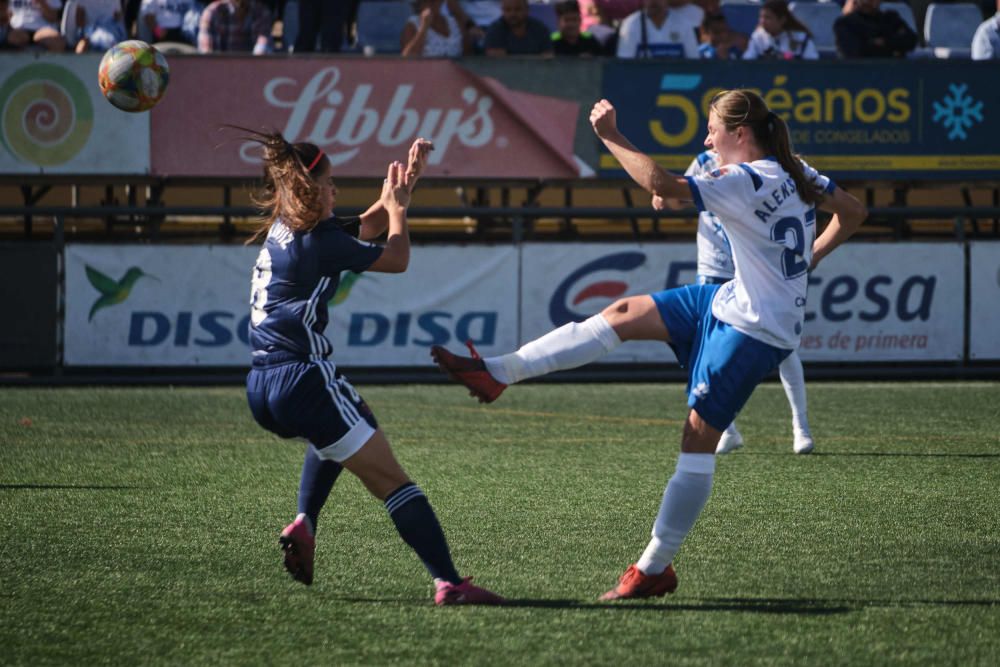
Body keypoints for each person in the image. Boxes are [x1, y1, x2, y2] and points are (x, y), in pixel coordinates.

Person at [432, 90, 867, 600]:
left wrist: (611, 135)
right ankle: (498, 372)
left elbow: (659, 182)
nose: (707, 138)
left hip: (756, 328)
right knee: (624, 312)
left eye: (712, 129)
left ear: (740, 134)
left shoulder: (744, 179)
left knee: (696, 439)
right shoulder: (795, 170)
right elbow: (855, 211)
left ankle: (653, 568)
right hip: (729, 298)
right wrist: (807, 261)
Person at [242, 130, 503, 606]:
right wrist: (400, 210)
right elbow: (396, 257)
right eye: (331, 182)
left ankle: (305, 522)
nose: (336, 190)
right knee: (392, 481)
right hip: (303, 377)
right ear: (311, 188)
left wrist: (406, 185)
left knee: (340, 432)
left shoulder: (290, 225)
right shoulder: (319, 241)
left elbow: (363, 224)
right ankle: (450, 583)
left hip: (261, 384)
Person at [654, 148, 819, 454]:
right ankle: (726, 430)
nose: (708, 138)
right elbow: (677, 196)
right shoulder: (704, 162)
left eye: (714, 127)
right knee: (702, 342)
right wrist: (664, 198)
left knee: (782, 344)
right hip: (715, 264)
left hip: (756, 267)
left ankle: (801, 426)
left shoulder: (767, 168)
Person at [616, 0, 701, 59]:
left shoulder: (684, 25)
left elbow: (694, 63)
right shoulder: (631, 25)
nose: (653, 1)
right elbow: (624, 67)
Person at [833, 0, 917, 58]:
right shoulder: (845, 23)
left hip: (891, 72)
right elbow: (854, 51)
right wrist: (892, 48)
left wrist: (884, 42)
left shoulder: (891, 18)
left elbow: (911, 40)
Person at [742, 0, 817, 60]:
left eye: (768, 18)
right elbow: (748, 63)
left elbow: (813, 67)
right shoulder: (757, 37)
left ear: (782, 20)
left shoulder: (802, 39)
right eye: (761, 17)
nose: (762, 21)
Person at [197, 0, 272, 53]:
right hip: (218, 68)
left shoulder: (260, 12)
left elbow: (261, 46)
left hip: (249, 69)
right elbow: (205, 51)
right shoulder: (212, 11)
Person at [484, 0, 553, 55]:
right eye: (508, 10)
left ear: (527, 10)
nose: (513, 14)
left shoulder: (540, 29)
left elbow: (547, 58)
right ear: (502, 11)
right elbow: (496, 61)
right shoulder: (494, 31)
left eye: (517, 9)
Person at [401, 0, 467, 57]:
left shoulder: (455, 23)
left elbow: (468, 55)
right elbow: (408, 57)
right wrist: (424, 27)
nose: (430, 4)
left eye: (433, 1)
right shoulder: (413, 24)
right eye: (425, 1)